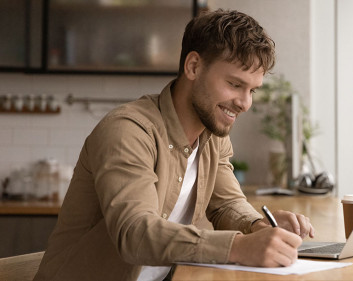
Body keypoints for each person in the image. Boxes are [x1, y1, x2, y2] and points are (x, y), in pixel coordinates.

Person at [34, 9, 314, 281]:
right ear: (193, 66)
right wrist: (238, 247)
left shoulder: (214, 135)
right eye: (234, 84)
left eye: (252, 90)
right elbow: (135, 232)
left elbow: (226, 203)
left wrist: (258, 227)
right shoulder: (128, 130)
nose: (244, 103)